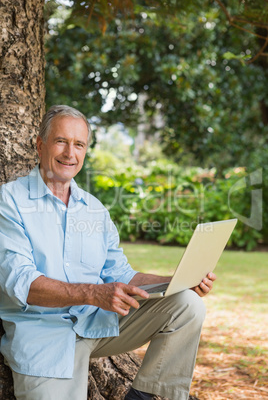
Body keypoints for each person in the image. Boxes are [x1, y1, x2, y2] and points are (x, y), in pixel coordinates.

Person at [0, 105, 216, 400]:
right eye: (61, 141)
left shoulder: (95, 209)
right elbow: (21, 284)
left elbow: (122, 275)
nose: (69, 153)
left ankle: (143, 397)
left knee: (187, 304)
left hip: (96, 324)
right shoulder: (9, 201)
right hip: (43, 338)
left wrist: (176, 280)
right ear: (40, 145)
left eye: (79, 144)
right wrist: (92, 293)